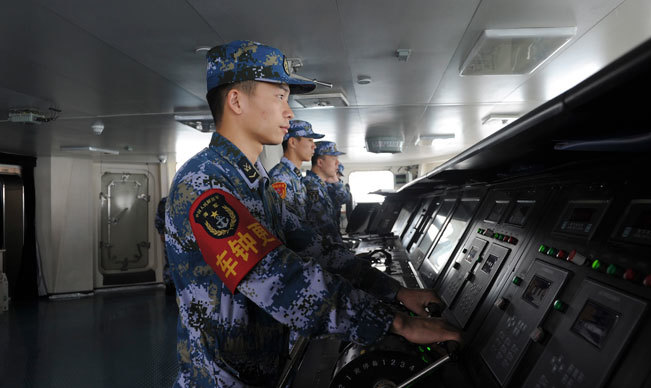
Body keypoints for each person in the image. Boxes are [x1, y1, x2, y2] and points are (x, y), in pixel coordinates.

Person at [165, 40, 460, 387]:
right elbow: (278, 278)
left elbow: (314, 249)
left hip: (264, 371)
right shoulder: (204, 183)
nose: (289, 112)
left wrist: (394, 292)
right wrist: (398, 324)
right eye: (279, 96)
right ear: (236, 101)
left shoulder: (254, 184)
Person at [268, 119, 324, 220]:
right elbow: (283, 223)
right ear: (292, 142)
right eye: (310, 140)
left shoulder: (295, 176)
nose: (314, 146)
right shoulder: (280, 177)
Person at [303, 141, 346, 244]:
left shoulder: (321, 185)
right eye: (334, 159)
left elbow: (344, 198)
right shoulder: (310, 186)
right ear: (320, 163)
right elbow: (323, 227)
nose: (338, 163)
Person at [154, 196, 175, 295]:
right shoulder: (166, 200)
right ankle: (170, 285)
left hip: (186, 237)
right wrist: (162, 232)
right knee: (171, 262)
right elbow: (159, 218)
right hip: (171, 236)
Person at [327, 163, 352, 227]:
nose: (338, 177)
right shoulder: (324, 184)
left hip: (335, 217)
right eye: (337, 174)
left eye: (339, 175)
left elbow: (346, 199)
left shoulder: (338, 185)